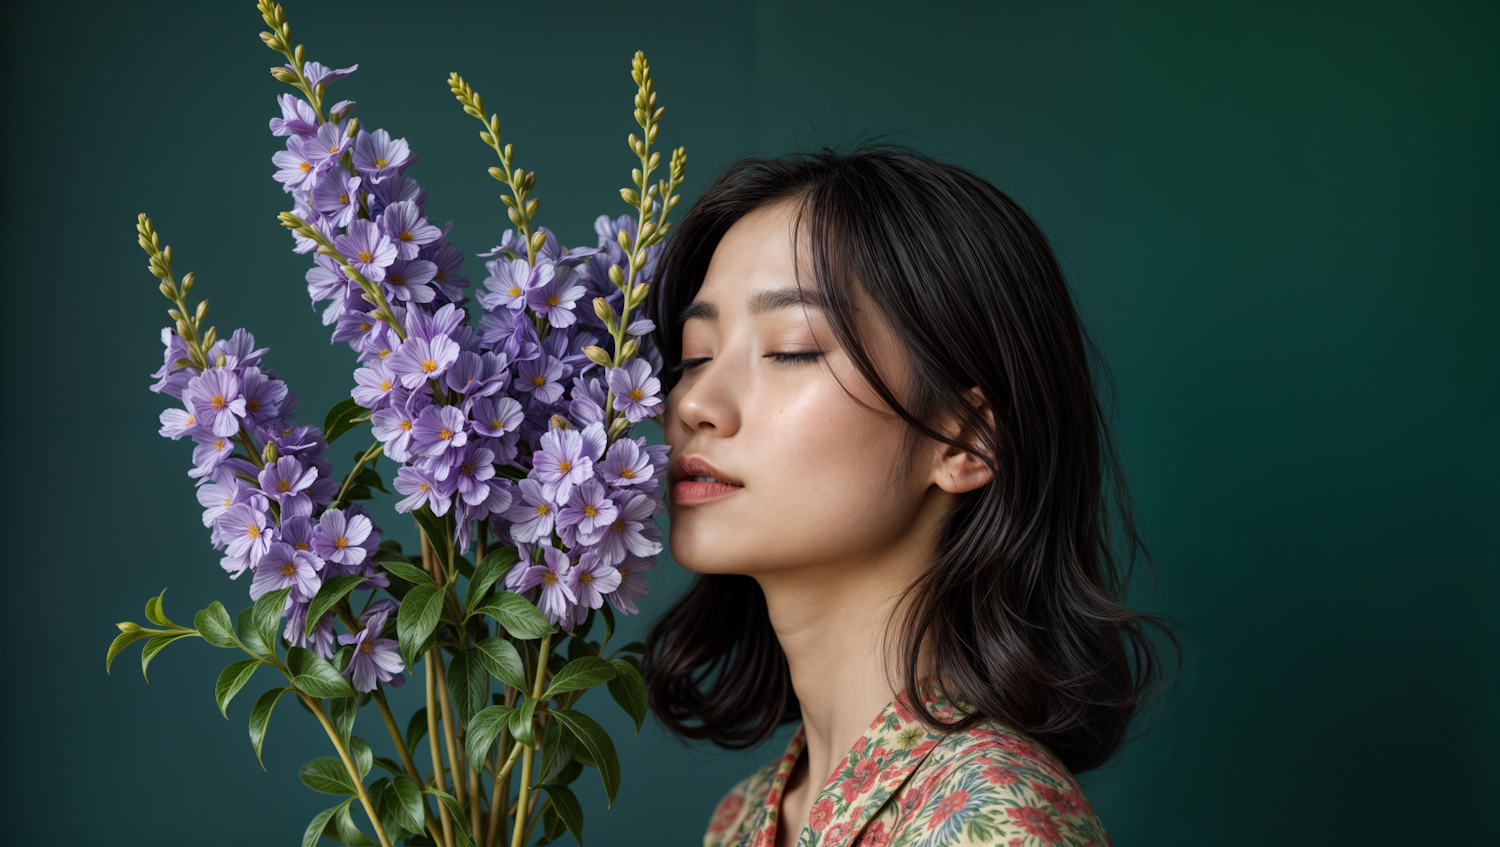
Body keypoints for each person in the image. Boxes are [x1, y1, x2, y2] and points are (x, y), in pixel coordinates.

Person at [641, 146, 1178, 847]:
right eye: (694, 355)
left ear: (964, 442)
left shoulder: (997, 826)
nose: (694, 403)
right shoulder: (741, 820)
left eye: (792, 348)